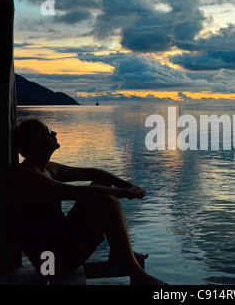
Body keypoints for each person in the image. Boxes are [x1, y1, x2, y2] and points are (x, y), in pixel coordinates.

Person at [9, 118, 166, 285]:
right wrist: (124, 192)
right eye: (47, 132)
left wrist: (128, 185)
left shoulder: (47, 168)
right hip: (52, 263)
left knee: (102, 185)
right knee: (107, 203)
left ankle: (118, 253)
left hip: (62, 242)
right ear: (35, 145)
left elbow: (93, 173)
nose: (54, 133)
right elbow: (78, 192)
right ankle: (138, 276)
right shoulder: (26, 177)